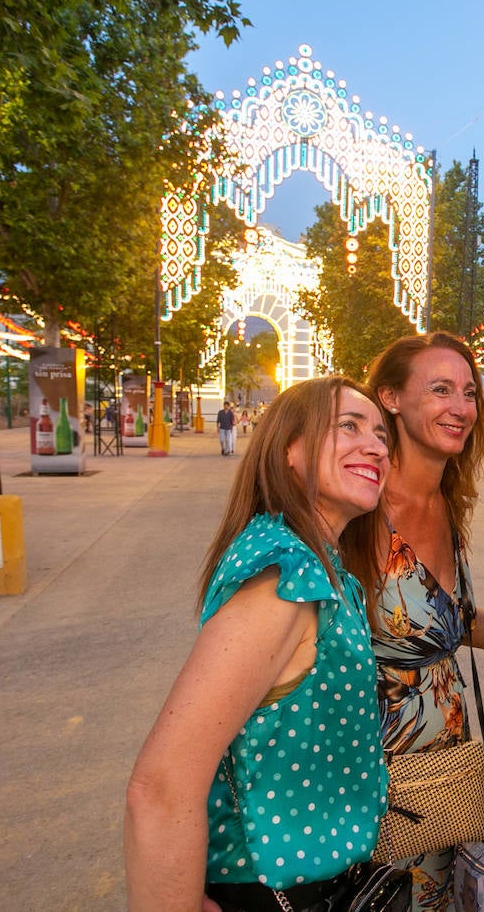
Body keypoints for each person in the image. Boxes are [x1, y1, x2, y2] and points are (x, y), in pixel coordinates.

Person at [125, 376, 392, 912]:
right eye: (348, 426)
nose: (376, 446)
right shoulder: (287, 579)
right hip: (272, 892)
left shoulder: (316, 564)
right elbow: (161, 787)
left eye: (382, 435)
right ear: (289, 449)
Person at [365, 331, 484, 910]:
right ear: (391, 398)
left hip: (444, 780)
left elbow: (449, 621)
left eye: (469, 392)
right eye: (439, 389)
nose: (460, 407)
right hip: (373, 779)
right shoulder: (360, 508)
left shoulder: (446, 502)